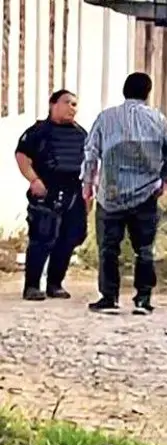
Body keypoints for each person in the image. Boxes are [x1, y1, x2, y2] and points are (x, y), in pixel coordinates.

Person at [81, 72, 167, 315]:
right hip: (146, 195)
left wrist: (88, 184)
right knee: (144, 250)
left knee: (108, 248)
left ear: (124, 90)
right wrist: (164, 182)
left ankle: (109, 297)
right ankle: (143, 299)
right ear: (148, 92)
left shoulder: (106, 118)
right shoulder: (158, 119)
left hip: (110, 194)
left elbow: (91, 152)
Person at [14, 90, 88, 301]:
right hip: (46, 192)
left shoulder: (80, 133)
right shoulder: (39, 131)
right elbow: (21, 156)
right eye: (68, 103)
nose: (72, 108)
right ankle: (32, 286)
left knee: (71, 237)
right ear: (53, 104)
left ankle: (55, 284)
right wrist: (34, 180)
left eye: (75, 104)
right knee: (42, 238)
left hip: (74, 192)